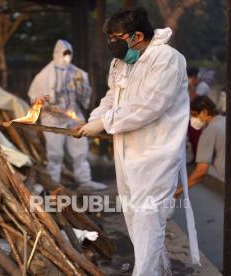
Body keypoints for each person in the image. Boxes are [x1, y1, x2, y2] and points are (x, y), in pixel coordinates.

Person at [76, 8, 199, 275]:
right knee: (134, 217)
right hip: (126, 150)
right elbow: (112, 98)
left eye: (115, 37)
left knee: (147, 220)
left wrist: (104, 123)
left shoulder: (167, 60)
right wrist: (93, 120)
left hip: (156, 153)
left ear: (137, 36)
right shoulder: (121, 62)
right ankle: (159, 268)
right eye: (109, 37)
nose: (111, 43)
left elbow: (148, 106)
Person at [28, 39, 107, 191]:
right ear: (57, 53)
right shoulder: (44, 75)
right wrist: (41, 101)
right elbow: (34, 97)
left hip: (73, 115)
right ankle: (53, 184)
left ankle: (85, 181)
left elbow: (85, 95)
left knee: (80, 149)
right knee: (55, 153)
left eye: (69, 53)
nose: (67, 56)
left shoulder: (76, 72)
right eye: (64, 53)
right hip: (53, 118)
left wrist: (81, 85)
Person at [175, 96, 225, 198]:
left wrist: (179, 191)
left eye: (194, 115)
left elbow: (201, 171)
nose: (192, 119)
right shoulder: (224, 120)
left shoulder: (209, 132)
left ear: (204, 112)